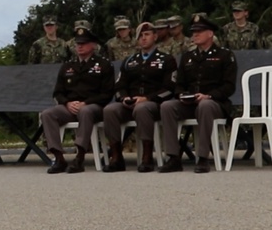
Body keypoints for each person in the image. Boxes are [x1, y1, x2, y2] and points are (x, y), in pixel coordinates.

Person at [158, 14, 238, 174]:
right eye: (193, 31)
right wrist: (182, 95)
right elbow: (179, 84)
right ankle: (173, 157)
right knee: (167, 106)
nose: (195, 34)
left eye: (199, 31)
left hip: (215, 103)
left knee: (205, 105)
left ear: (210, 34)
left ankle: (202, 157)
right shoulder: (188, 57)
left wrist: (209, 95)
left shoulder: (224, 55)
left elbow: (229, 87)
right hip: (190, 102)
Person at [102, 22, 177, 172]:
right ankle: (116, 157)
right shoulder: (130, 61)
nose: (143, 38)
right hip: (130, 104)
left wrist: (148, 98)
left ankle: (147, 157)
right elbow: (119, 85)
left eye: (147, 35)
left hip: (154, 104)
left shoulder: (166, 59)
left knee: (142, 108)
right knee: (110, 110)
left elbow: (170, 88)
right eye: (140, 36)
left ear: (155, 37)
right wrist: (123, 98)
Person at [41, 27, 115, 174]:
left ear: (93, 45)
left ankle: (80, 157)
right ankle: (59, 157)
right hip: (70, 107)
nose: (79, 46)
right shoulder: (68, 66)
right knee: (47, 114)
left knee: (85, 111)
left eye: (84, 43)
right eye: (77, 43)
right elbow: (58, 92)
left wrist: (85, 103)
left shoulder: (104, 65)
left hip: (93, 107)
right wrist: (67, 103)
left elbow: (107, 94)